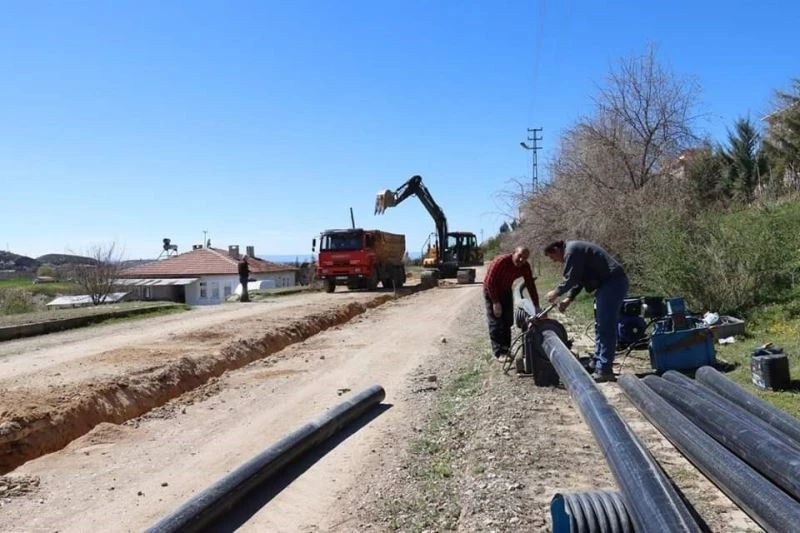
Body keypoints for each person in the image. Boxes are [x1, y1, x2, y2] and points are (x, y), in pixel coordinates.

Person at [543, 240, 629, 382]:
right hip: (607, 285)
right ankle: (597, 363)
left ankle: (605, 369)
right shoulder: (573, 250)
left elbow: (571, 277)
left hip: (613, 283)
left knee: (606, 326)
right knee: (600, 326)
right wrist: (568, 299)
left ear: (556, 249)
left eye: (553, 257)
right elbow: (578, 280)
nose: (554, 261)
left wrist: (556, 292)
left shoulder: (571, 250)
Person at [483, 246, 541, 362]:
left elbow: (530, 285)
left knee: (508, 320)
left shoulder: (525, 267)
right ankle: (499, 352)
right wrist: (495, 302)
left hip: (506, 290)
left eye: (524, 258)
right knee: (496, 321)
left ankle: (506, 349)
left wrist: (536, 306)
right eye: (519, 256)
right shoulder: (501, 261)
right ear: (513, 253)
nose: (521, 260)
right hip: (491, 290)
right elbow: (490, 282)